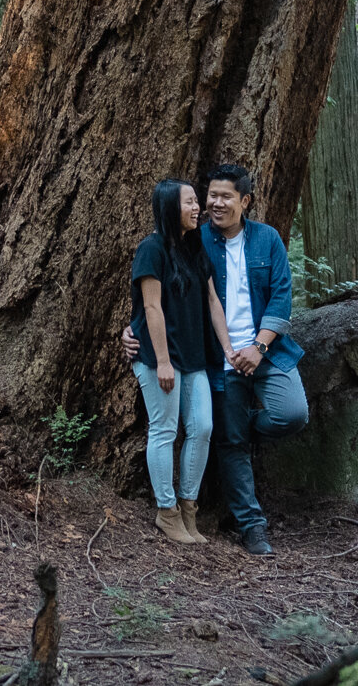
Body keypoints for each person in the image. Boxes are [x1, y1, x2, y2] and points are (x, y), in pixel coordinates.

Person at [123, 162, 307, 555]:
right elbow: (156, 302)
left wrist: (257, 348)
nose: (212, 205)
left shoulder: (265, 240)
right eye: (208, 197)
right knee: (217, 438)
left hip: (261, 351)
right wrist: (134, 332)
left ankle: (233, 433)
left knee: (287, 415)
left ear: (246, 201)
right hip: (207, 360)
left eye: (225, 197)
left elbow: (277, 297)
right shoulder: (194, 240)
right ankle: (249, 525)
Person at [131, 177, 232, 545]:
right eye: (190, 202)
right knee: (164, 430)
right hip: (159, 357)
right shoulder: (151, 249)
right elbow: (151, 306)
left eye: (196, 201)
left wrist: (228, 348)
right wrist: (161, 361)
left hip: (194, 358)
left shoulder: (194, 247)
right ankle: (167, 512)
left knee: (202, 427)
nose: (198, 208)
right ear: (172, 207)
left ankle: (189, 509)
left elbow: (211, 301)